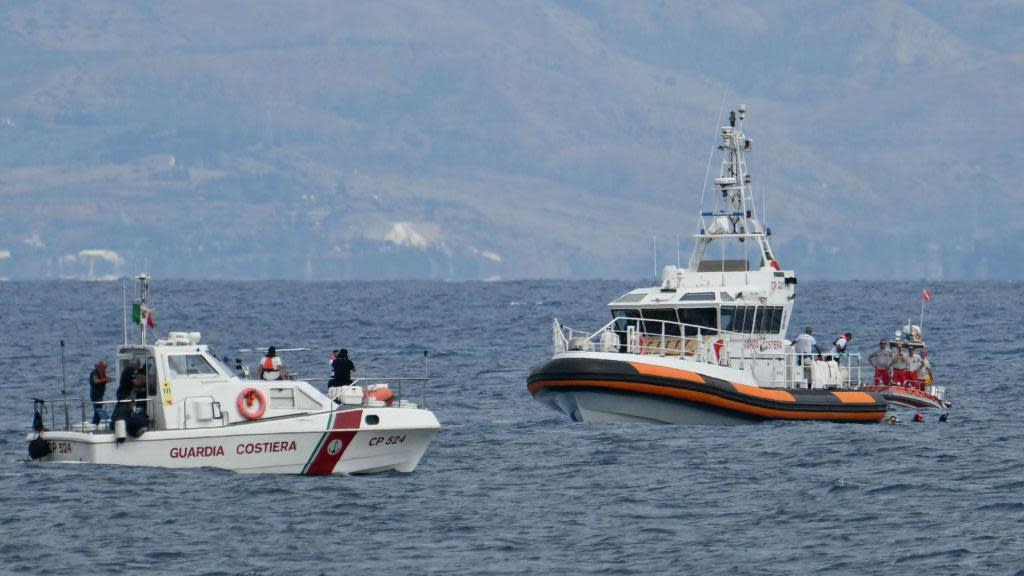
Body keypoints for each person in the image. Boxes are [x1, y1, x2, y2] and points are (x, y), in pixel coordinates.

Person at [112, 359, 140, 425]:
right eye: (138, 366)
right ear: (135, 365)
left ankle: (116, 421)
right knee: (122, 407)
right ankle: (117, 421)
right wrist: (144, 381)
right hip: (124, 393)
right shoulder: (130, 371)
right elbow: (135, 382)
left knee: (120, 407)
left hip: (122, 392)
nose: (138, 368)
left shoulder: (127, 370)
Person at [89, 360, 112, 426]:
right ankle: (94, 424)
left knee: (98, 411)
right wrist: (104, 380)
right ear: (101, 366)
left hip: (100, 395)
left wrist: (108, 379)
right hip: (95, 395)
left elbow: (104, 379)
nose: (105, 369)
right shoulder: (94, 372)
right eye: (104, 367)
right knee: (98, 411)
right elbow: (95, 381)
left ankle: (96, 424)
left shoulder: (101, 373)